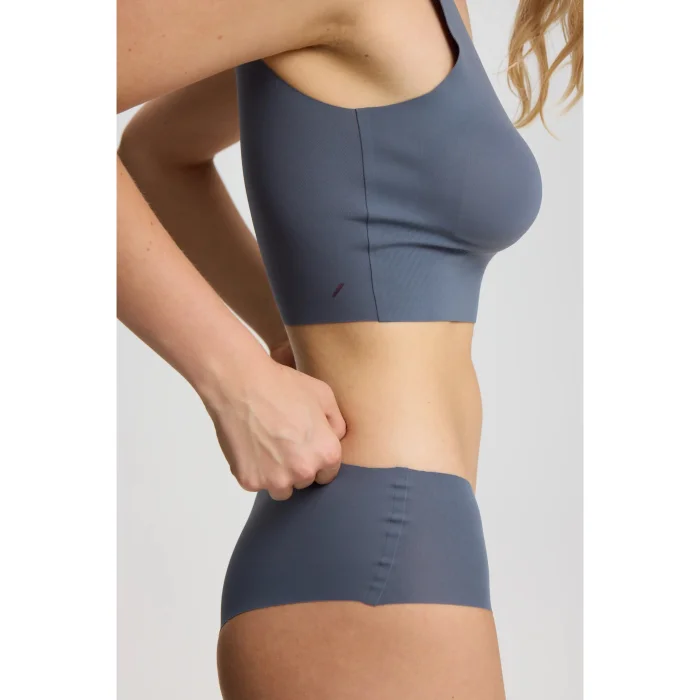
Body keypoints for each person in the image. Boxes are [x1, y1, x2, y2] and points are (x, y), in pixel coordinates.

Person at [117, 0, 582, 697]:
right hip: (377, 549)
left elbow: (160, 155)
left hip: (408, 539)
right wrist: (235, 379)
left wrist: (283, 335)